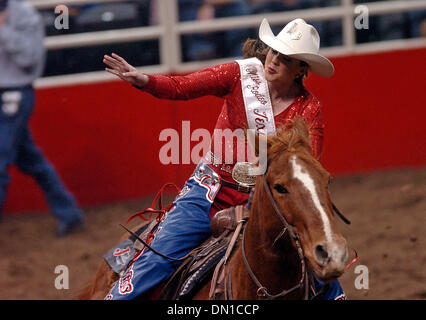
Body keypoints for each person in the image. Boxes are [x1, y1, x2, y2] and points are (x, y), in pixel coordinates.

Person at [103, 18, 346, 300]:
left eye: (286, 58)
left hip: (264, 202)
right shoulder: (238, 76)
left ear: (301, 69)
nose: (274, 60)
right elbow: (182, 87)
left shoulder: (309, 108)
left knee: (319, 263)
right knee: (160, 257)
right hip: (210, 191)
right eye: (274, 51)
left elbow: (303, 167)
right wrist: (145, 80)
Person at [0, 0, 84, 236]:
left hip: (14, 91)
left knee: (1, 156)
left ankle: (69, 213)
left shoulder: (25, 15)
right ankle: (69, 214)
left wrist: (3, 29)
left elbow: (29, 58)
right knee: (31, 160)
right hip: (9, 92)